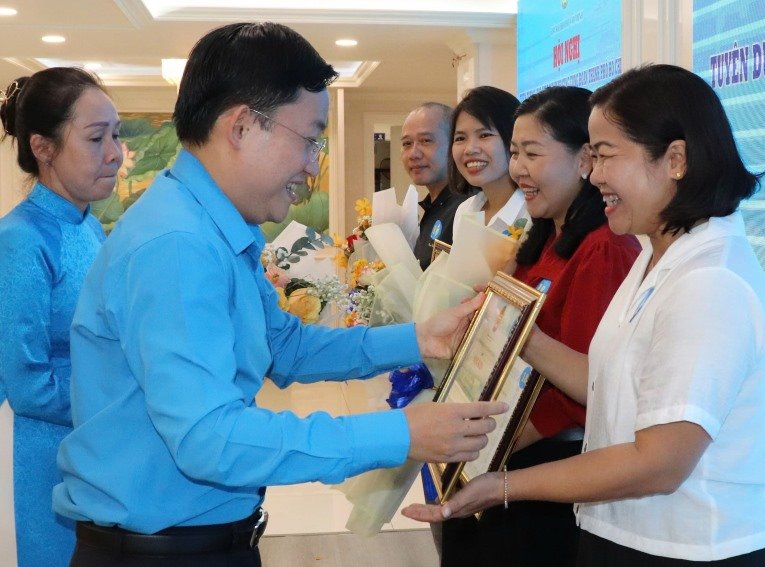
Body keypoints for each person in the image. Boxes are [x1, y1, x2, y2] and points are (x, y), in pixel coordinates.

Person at [52, 22, 505, 567]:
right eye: (309, 138)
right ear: (242, 126)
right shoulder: (178, 245)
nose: (314, 163)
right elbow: (211, 440)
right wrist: (398, 433)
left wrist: (420, 338)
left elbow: (285, 347)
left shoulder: (210, 229)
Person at [405, 64, 765, 566]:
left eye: (606, 156)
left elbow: (658, 464)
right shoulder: (660, 254)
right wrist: (514, 328)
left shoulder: (708, 281)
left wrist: (502, 485)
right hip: (626, 537)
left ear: (674, 159)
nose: (593, 174)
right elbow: (603, 383)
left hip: (690, 550)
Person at [439, 87, 641, 566]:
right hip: (503, 456)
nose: (518, 169)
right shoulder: (543, 240)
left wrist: (486, 445)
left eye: (532, 153)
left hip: (545, 471)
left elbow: (585, 386)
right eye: (514, 153)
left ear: (583, 161)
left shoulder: (603, 248)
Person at [0, 68, 123, 567]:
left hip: (95, 448)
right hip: (45, 460)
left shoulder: (90, 228)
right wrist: (123, 404)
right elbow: (27, 384)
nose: (115, 153)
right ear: (43, 147)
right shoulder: (22, 240)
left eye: (116, 135)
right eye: (97, 138)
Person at [449, 86, 529, 239]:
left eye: (484, 135)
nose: (470, 149)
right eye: (460, 138)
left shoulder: (532, 211)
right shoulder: (465, 211)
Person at [400, 102, 470, 270]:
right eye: (407, 144)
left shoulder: (468, 206)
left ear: (454, 143)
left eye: (426, 141)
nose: (413, 154)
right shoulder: (433, 205)